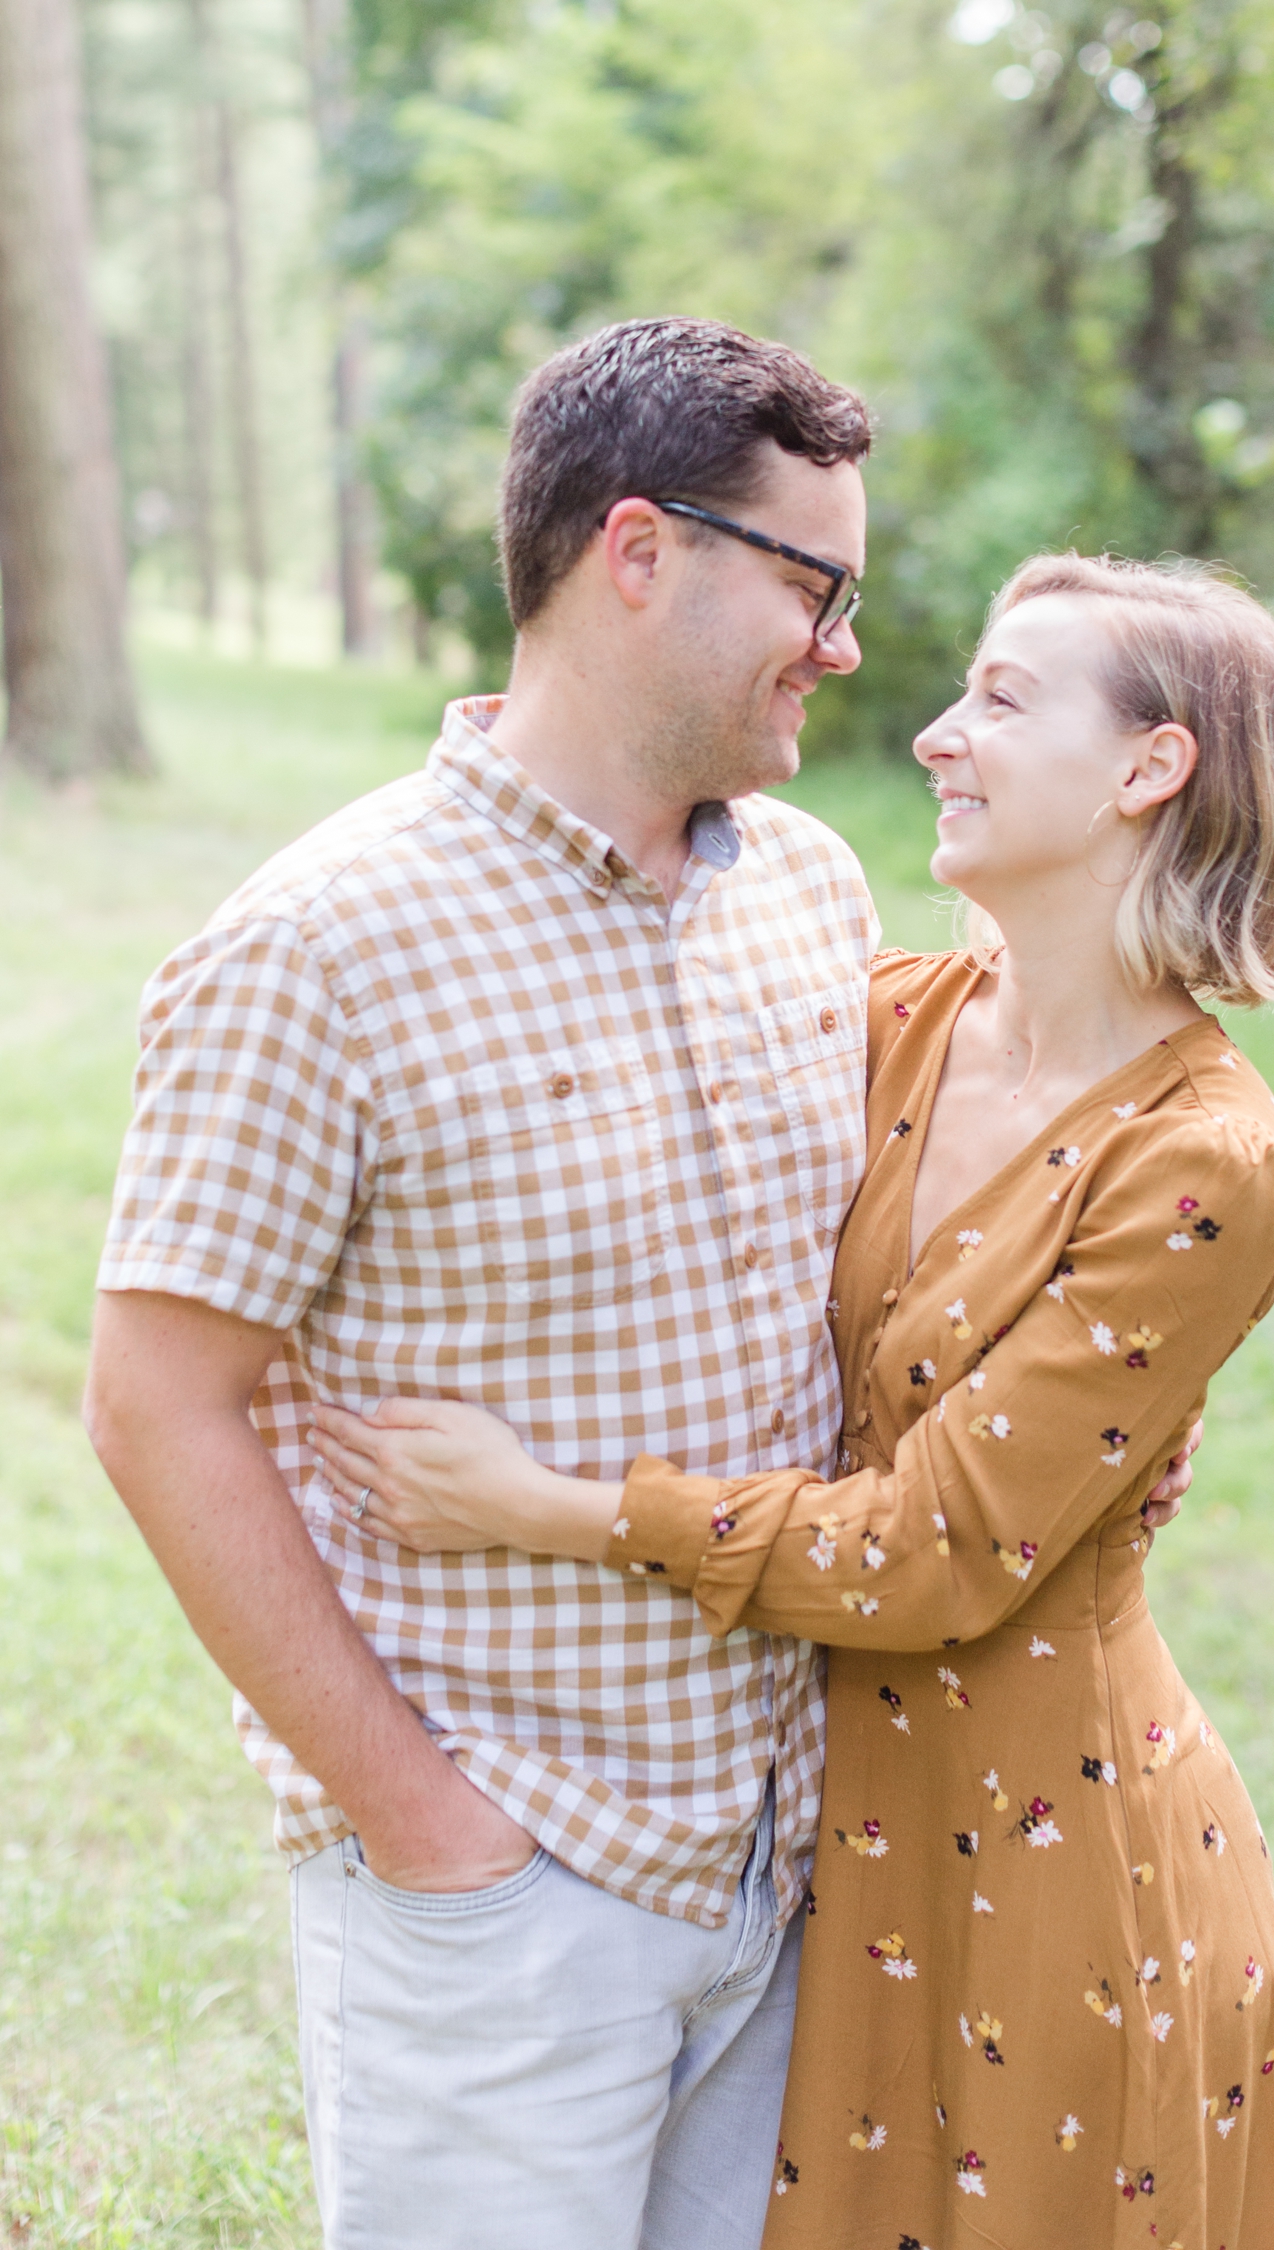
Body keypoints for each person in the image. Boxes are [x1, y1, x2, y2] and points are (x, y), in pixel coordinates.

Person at [307, 551, 1274, 2249]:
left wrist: (546, 1505)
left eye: (1001, 698)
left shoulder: (1203, 1161)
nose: (934, 732)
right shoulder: (900, 1018)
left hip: (1050, 1841)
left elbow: (934, 1552)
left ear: (1153, 768)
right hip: (834, 1828)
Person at [84, 317, 884, 2250]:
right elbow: (153, 1405)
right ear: (640, 552)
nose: (846, 643)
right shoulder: (321, 945)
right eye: (817, 582)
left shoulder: (817, 891)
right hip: (504, 1888)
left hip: (786, 1870)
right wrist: (437, 1832)